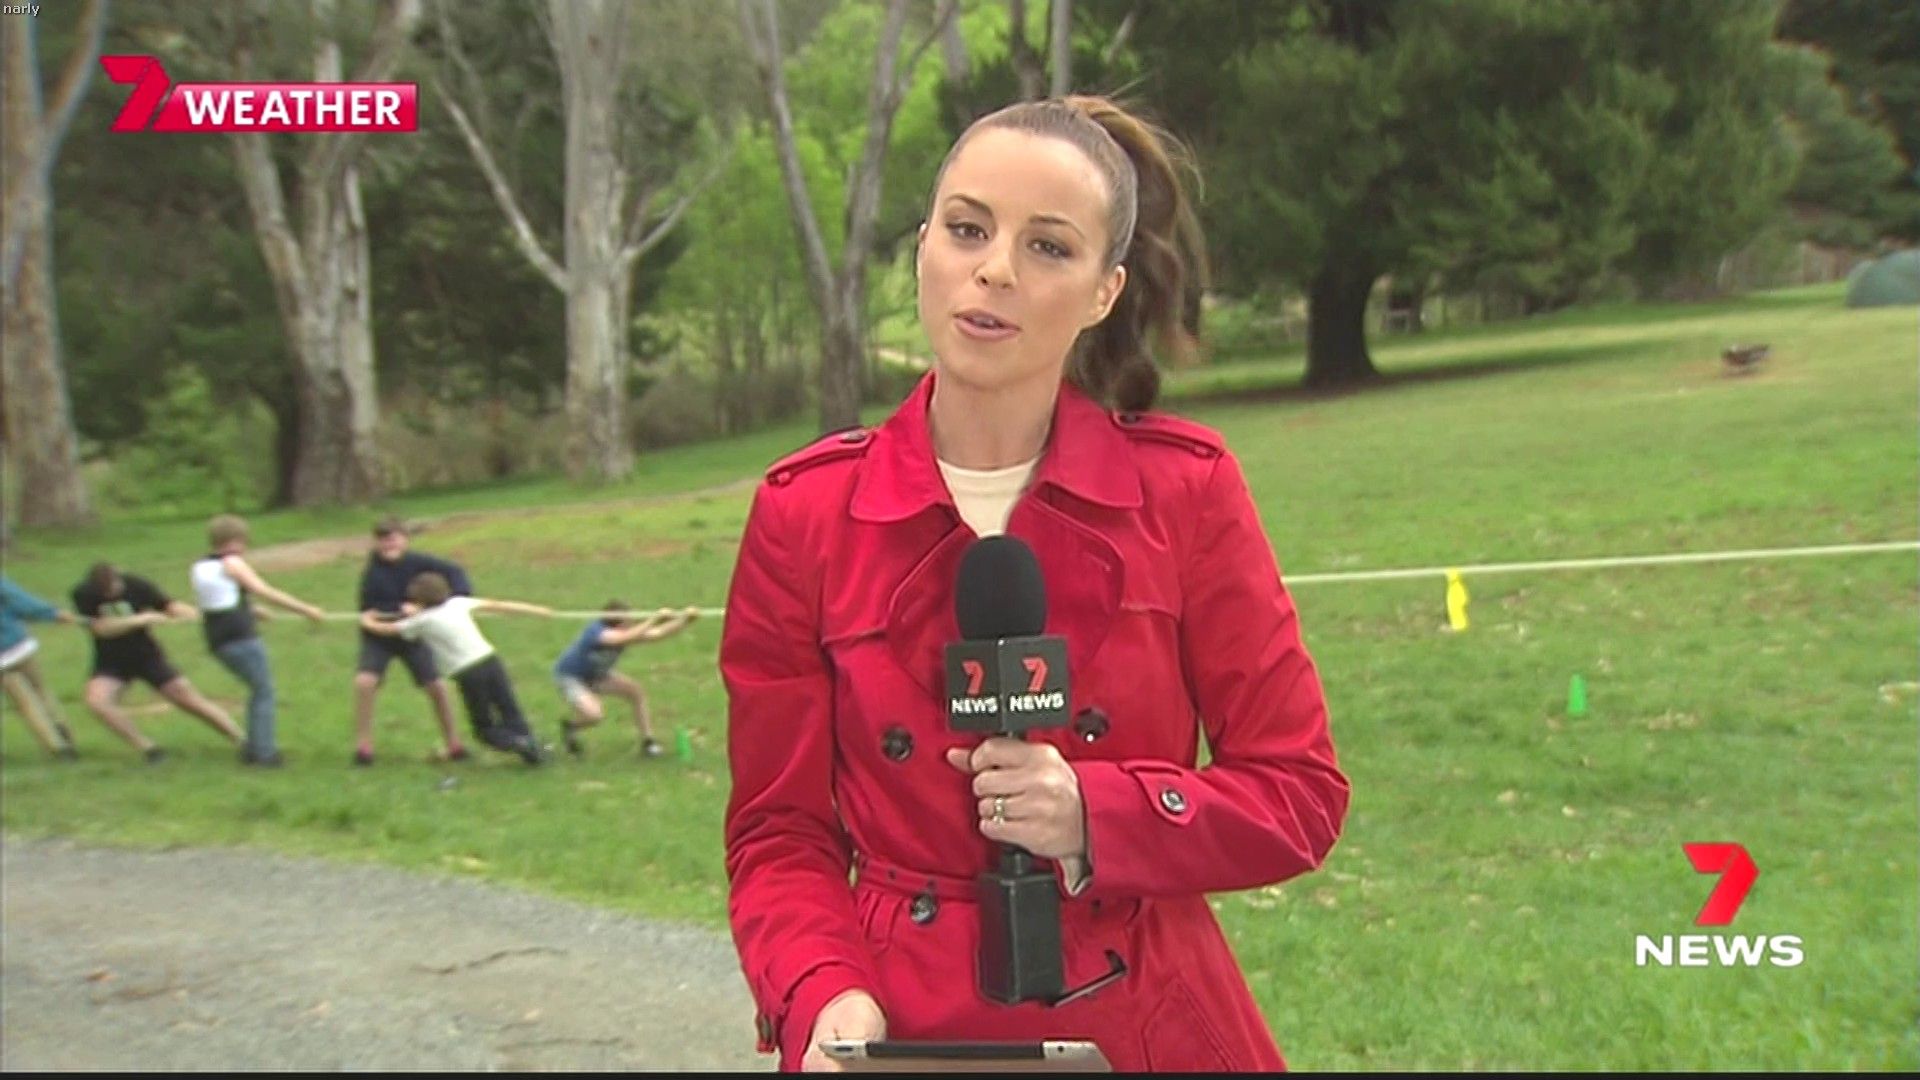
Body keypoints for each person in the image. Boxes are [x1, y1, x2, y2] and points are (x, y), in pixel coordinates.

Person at [720, 96, 1349, 1072]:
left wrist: (1095, 812)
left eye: (1048, 247)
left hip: (1140, 1016)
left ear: (1104, 291)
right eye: (968, 229)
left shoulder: (1185, 494)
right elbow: (778, 833)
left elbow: (1297, 794)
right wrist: (822, 992)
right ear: (923, 247)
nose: (996, 270)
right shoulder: (804, 514)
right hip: (898, 1029)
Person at [359, 572, 553, 766]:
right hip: (490, 661)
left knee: (485, 729)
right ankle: (532, 746)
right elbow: (498, 605)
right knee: (509, 709)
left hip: (468, 673)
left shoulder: (422, 622)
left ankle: (521, 744)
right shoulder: (458, 603)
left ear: (418, 600)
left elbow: (388, 629)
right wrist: (537, 610)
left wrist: (368, 620)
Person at [72, 562, 245, 762]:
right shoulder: (83, 594)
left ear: (118, 579)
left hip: (146, 655)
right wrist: (141, 619)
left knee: (186, 697)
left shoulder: (136, 585)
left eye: (112, 590)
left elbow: (168, 606)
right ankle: (149, 748)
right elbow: (100, 629)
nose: (109, 595)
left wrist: (202, 616)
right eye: (104, 593)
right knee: (97, 701)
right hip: (111, 661)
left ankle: (242, 739)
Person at [192, 514, 327, 767]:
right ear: (235, 541)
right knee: (263, 691)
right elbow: (262, 589)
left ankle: (254, 748)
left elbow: (218, 600)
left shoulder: (201, 566)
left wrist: (251, 610)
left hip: (217, 638)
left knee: (257, 690)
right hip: (240, 637)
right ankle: (264, 754)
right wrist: (306, 609)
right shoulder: (232, 562)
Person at [353, 516, 469, 767]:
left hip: (414, 635)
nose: (388, 545)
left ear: (405, 540)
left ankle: (454, 743)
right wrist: (377, 615)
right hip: (379, 636)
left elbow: (456, 573)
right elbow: (367, 608)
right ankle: (363, 746)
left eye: (393, 539)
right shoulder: (373, 570)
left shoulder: (420, 562)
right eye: (383, 540)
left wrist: (446, 603)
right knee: (365, 683)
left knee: (436, 686)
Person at [551, 602, 700, 758]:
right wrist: (655, 619)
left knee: (635, 692)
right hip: (572, 677)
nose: (631, 620)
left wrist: (685, 620)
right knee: (594, 716)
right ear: (619, 622)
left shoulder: (625, 631)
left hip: (598, 675)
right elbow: (623, 638)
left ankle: (648, 742)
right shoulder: (596, 632)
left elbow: (657, 634)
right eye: (628, 618)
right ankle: (571, 727)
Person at [1, 574, 79, 758]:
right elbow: (21, 601)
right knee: (41, 691)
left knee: (25, 703)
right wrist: (52, 614)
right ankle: (62, 729)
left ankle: (57, 747)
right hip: (19, 645)